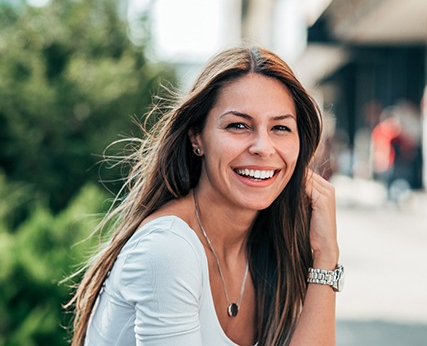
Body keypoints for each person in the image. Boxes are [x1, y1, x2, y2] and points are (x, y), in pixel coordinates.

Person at [66, 45, 343, 346]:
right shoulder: (168, 248)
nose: (263, 147)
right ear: (197, 137)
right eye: (238, 125)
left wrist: (325, 258)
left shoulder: (269, 245)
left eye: (280, 128)